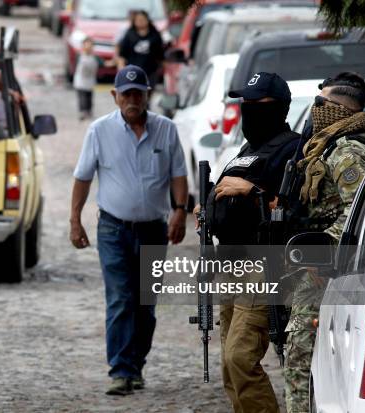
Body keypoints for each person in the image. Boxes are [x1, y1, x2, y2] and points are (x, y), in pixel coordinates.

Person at [70, 65, 188, 396]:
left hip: (153, 230)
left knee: (145, 303)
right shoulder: (99, 131)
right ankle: (120, 370)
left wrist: (179, 211)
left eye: (139, 94)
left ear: (148, 95)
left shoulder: (166, 130)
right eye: (127, 94)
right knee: (121, 297)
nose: (133, 100)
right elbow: (82, 177)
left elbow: (178, 173)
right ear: (115, 96)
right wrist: (75, 220)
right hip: (113, 229)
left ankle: (136, 365)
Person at [195, 72, 300, 413]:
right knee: (229, 362)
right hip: (231, 263)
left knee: (241, 357)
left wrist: (253, 191)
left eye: (258, 105)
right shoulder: (248, 148)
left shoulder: (292, 149)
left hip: (264, 267)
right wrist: (208, 205)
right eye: (246, 104)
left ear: (278, 108)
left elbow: (294, 208)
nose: (249, 110)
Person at [284, 72, 365, 413]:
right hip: (321, 265)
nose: (315, 110)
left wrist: (323, 250)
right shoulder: (326, 145)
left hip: (329, 268)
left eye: (321, 103)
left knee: (299, 349)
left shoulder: (348, 151)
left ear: (337, 108)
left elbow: (362, 213)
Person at [117, 10, 164, 89]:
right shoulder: (129, 34)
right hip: (132, 71)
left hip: (151, 71)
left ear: (147, 20)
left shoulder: (155, 35)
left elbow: (160, 53)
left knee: (147, 94)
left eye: (143, 19)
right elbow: (122, 54)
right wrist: (121, 70)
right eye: (138, 20)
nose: (141, 22)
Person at [73, 37, 102, 121]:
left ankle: (89, 111)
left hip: (90, 80)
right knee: (82, 97)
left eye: (90, 45)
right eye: (86, 45)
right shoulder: (80, 55)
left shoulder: (95, 57)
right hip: (81, 80)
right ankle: (82, 112)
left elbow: (103, 63)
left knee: (89, 97)